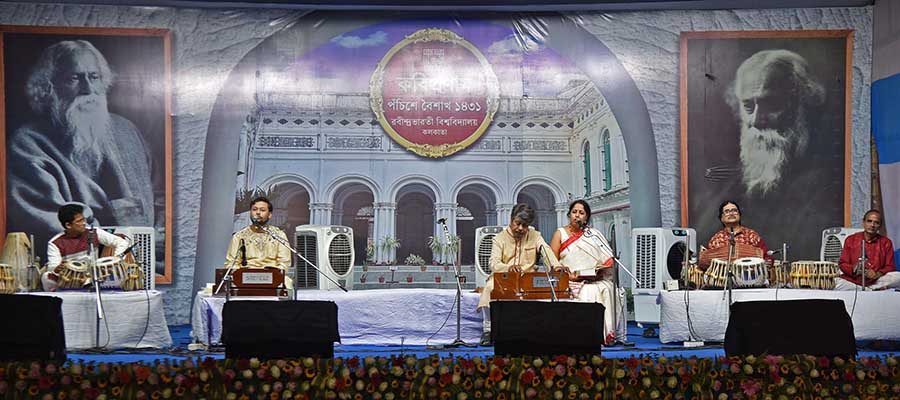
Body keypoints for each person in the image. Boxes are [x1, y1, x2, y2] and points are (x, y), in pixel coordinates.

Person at [6, 40, 158, 267]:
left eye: (94, 77)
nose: (88, 88)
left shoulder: (127, 130)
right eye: (74, 78)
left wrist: (152, 243)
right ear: (49, 86)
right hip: (77, 268)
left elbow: (160, 196)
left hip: (142, 263)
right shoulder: (27, 142)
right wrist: (119, 247)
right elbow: (54, 225)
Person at [690, 49, 842, 261]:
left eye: (770, 103)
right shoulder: (726, 188)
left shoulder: (826, 185)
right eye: (748, 106)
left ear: (800, 102)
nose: (757, 120)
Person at [476, 203, 562, 345]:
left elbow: (546, 251)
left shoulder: (535, 236)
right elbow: (493, 263)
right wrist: (508, 268)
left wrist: (556, 266)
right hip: (503, 277)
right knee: (489, 289)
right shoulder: (499, 238)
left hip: (527, 278)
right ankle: (488, 330)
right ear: (511, 219)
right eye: (518, 223)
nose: (521, 228)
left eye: (525, 225)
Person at [549, 199, 625, 345]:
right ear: (569, 214)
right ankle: (585, 336)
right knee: (588, 293)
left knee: (607, 289)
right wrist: (567, 275)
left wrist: (599, 271)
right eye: (574, 212)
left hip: (594, 279)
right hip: (568, 279)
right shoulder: (560, 233)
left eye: (581, 213)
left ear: (587, 217)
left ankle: (608, 335)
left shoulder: (593, 234)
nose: (577, 216)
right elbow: (552, 262)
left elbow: (608, 258)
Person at [41, 203, 129, 291]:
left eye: (84, 219)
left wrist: (117, 260)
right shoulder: (55, 243)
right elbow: (53, 267)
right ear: (68, 225)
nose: (84, 223)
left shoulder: (94, 232)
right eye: (79, 221)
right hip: (70, 279)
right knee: (46, 277)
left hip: (94, 276)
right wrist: (57, 268)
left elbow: (121, 242)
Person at [835, 209, 900, 290]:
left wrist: (877, 274)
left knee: (898, 277)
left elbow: (890, 266)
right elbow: (843, 263)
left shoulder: (886, 242)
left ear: (880, 226)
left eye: (876, 222)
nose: (872, 225)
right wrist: (855, 269)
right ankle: (869, 289)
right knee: (835, 282)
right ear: (864, 222)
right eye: (869, 221)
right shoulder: (850, 239)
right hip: (853, 280)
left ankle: (868, 288)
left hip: (876, 280)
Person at [699, 201, 772, 270]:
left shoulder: (751, 235)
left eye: (734, 210)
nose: (731, 213)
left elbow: (767, 256)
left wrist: (767, 263)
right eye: (727, 211)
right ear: (721, 218)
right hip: (724, 280)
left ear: (739, 215)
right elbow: (706, 263)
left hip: (749, 278)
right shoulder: (716, 239)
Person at [224, 196, 291, 271]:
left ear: (269, 215)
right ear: (250, 213)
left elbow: (284, 263)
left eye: (262, 210)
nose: (258, 212)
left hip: (273, 277)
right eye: (254, 209)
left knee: (286, 282)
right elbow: (231, 263)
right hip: (245, 277)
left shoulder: (279, 235)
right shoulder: (239, 236)